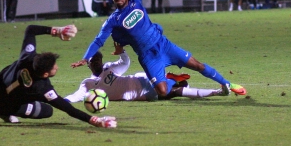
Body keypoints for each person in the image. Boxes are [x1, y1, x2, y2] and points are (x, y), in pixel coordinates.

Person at [71, 0, 247, 100]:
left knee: (197, 65)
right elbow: (98, 40)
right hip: (148, 57)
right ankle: (171, 79)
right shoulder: (113, 20)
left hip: (163, 45)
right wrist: (86, 57)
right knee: (162, 92)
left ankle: (227, 84)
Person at [65, 44, 227, 103]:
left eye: (98, 60)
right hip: (141, 93)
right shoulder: (88, 84)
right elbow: (75, 97)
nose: (97, 63)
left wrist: (122, 52)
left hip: (141, 77)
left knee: (173, 88)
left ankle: (173, 79)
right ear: (88, 64)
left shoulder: (109, 68)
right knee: (175, 92)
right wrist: (58, 100)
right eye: (93, 62)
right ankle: (217, 92)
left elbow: (125, 63)